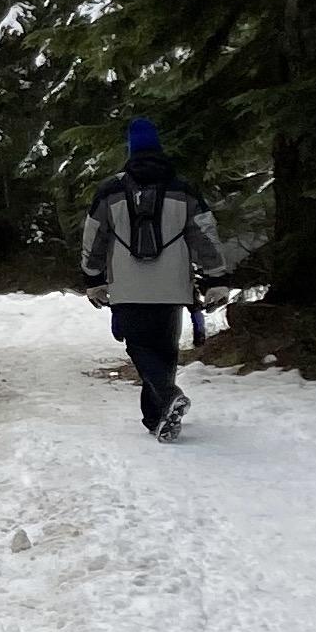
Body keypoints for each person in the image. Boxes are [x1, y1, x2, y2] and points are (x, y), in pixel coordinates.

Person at [81, 117, 228, 440]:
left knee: (138, 347)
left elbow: (94, 237)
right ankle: (157, 416)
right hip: (173, 286)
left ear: (130, 149)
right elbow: (204, 234)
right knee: (165, 350)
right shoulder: (182, 188)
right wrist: (216, 276)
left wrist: (92, 278)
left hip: (127, 287)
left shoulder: (110, 190)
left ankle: (168, 396)